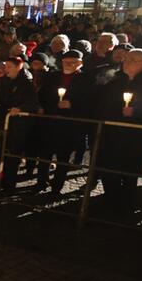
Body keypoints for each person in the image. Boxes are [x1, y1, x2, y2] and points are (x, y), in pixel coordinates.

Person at [95, 48, 142, 212]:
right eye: (126, 59)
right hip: (112, 134)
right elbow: (103, 103)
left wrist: (137, 112)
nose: (126, 62)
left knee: (130, 170)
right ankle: (109, 200)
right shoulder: (116, 80)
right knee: (109, 168)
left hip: (137, 136)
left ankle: (126, 203)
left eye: (132, 60)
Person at [36, 50, 95, 193]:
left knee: (63, 157)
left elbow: (90, 101)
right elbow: (43, 96)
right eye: (65, 62)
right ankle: (41, 182)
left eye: (72, 62)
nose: (68, 65)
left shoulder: (86, 80)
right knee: (44, 155)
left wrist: (72, 105)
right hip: (50, 121)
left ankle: (57, 186)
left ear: (80, 63)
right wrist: (45, 107)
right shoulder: (53, 77)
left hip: (70, 124)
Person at [0, 57, 40, 194]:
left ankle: (9, 186)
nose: (6, 70)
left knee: (12, 156)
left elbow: (33, 105)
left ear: (19, 67)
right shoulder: (2, 81)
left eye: (10, 67)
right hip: (1, 122)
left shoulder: (27, 84)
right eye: (6, 67)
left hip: (18, 126)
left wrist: (20, 108)